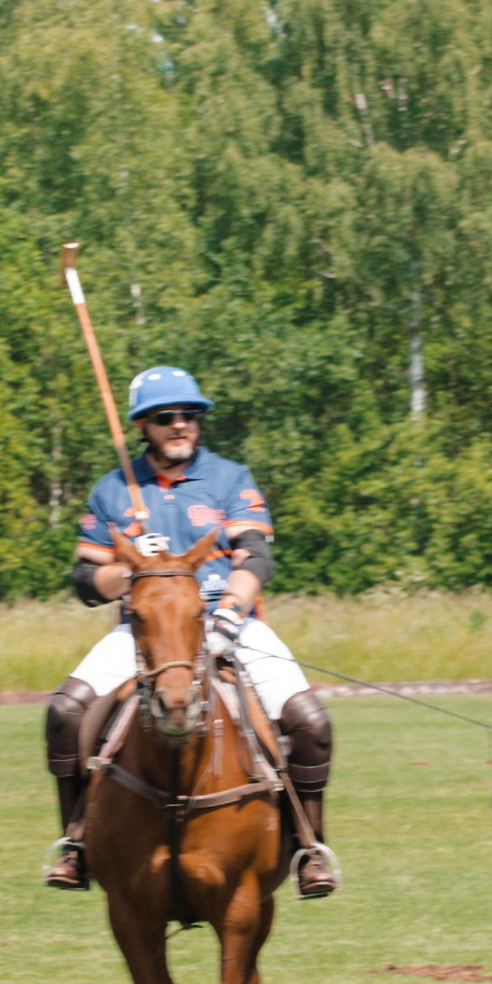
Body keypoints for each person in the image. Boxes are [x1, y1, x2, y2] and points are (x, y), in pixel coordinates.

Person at [45, 366, 338, 897]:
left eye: (189, 415)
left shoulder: (230, 479)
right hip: (146, 632)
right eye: (165, 417)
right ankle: (77, 842)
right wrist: (134, 571)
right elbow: (86, 579)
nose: (180, 425)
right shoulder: (113, 491)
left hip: (230, 622)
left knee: (312, 724)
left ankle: (309, 847)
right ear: (143, 427)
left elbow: (256, 553)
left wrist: (229, 611)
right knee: (64, 713)